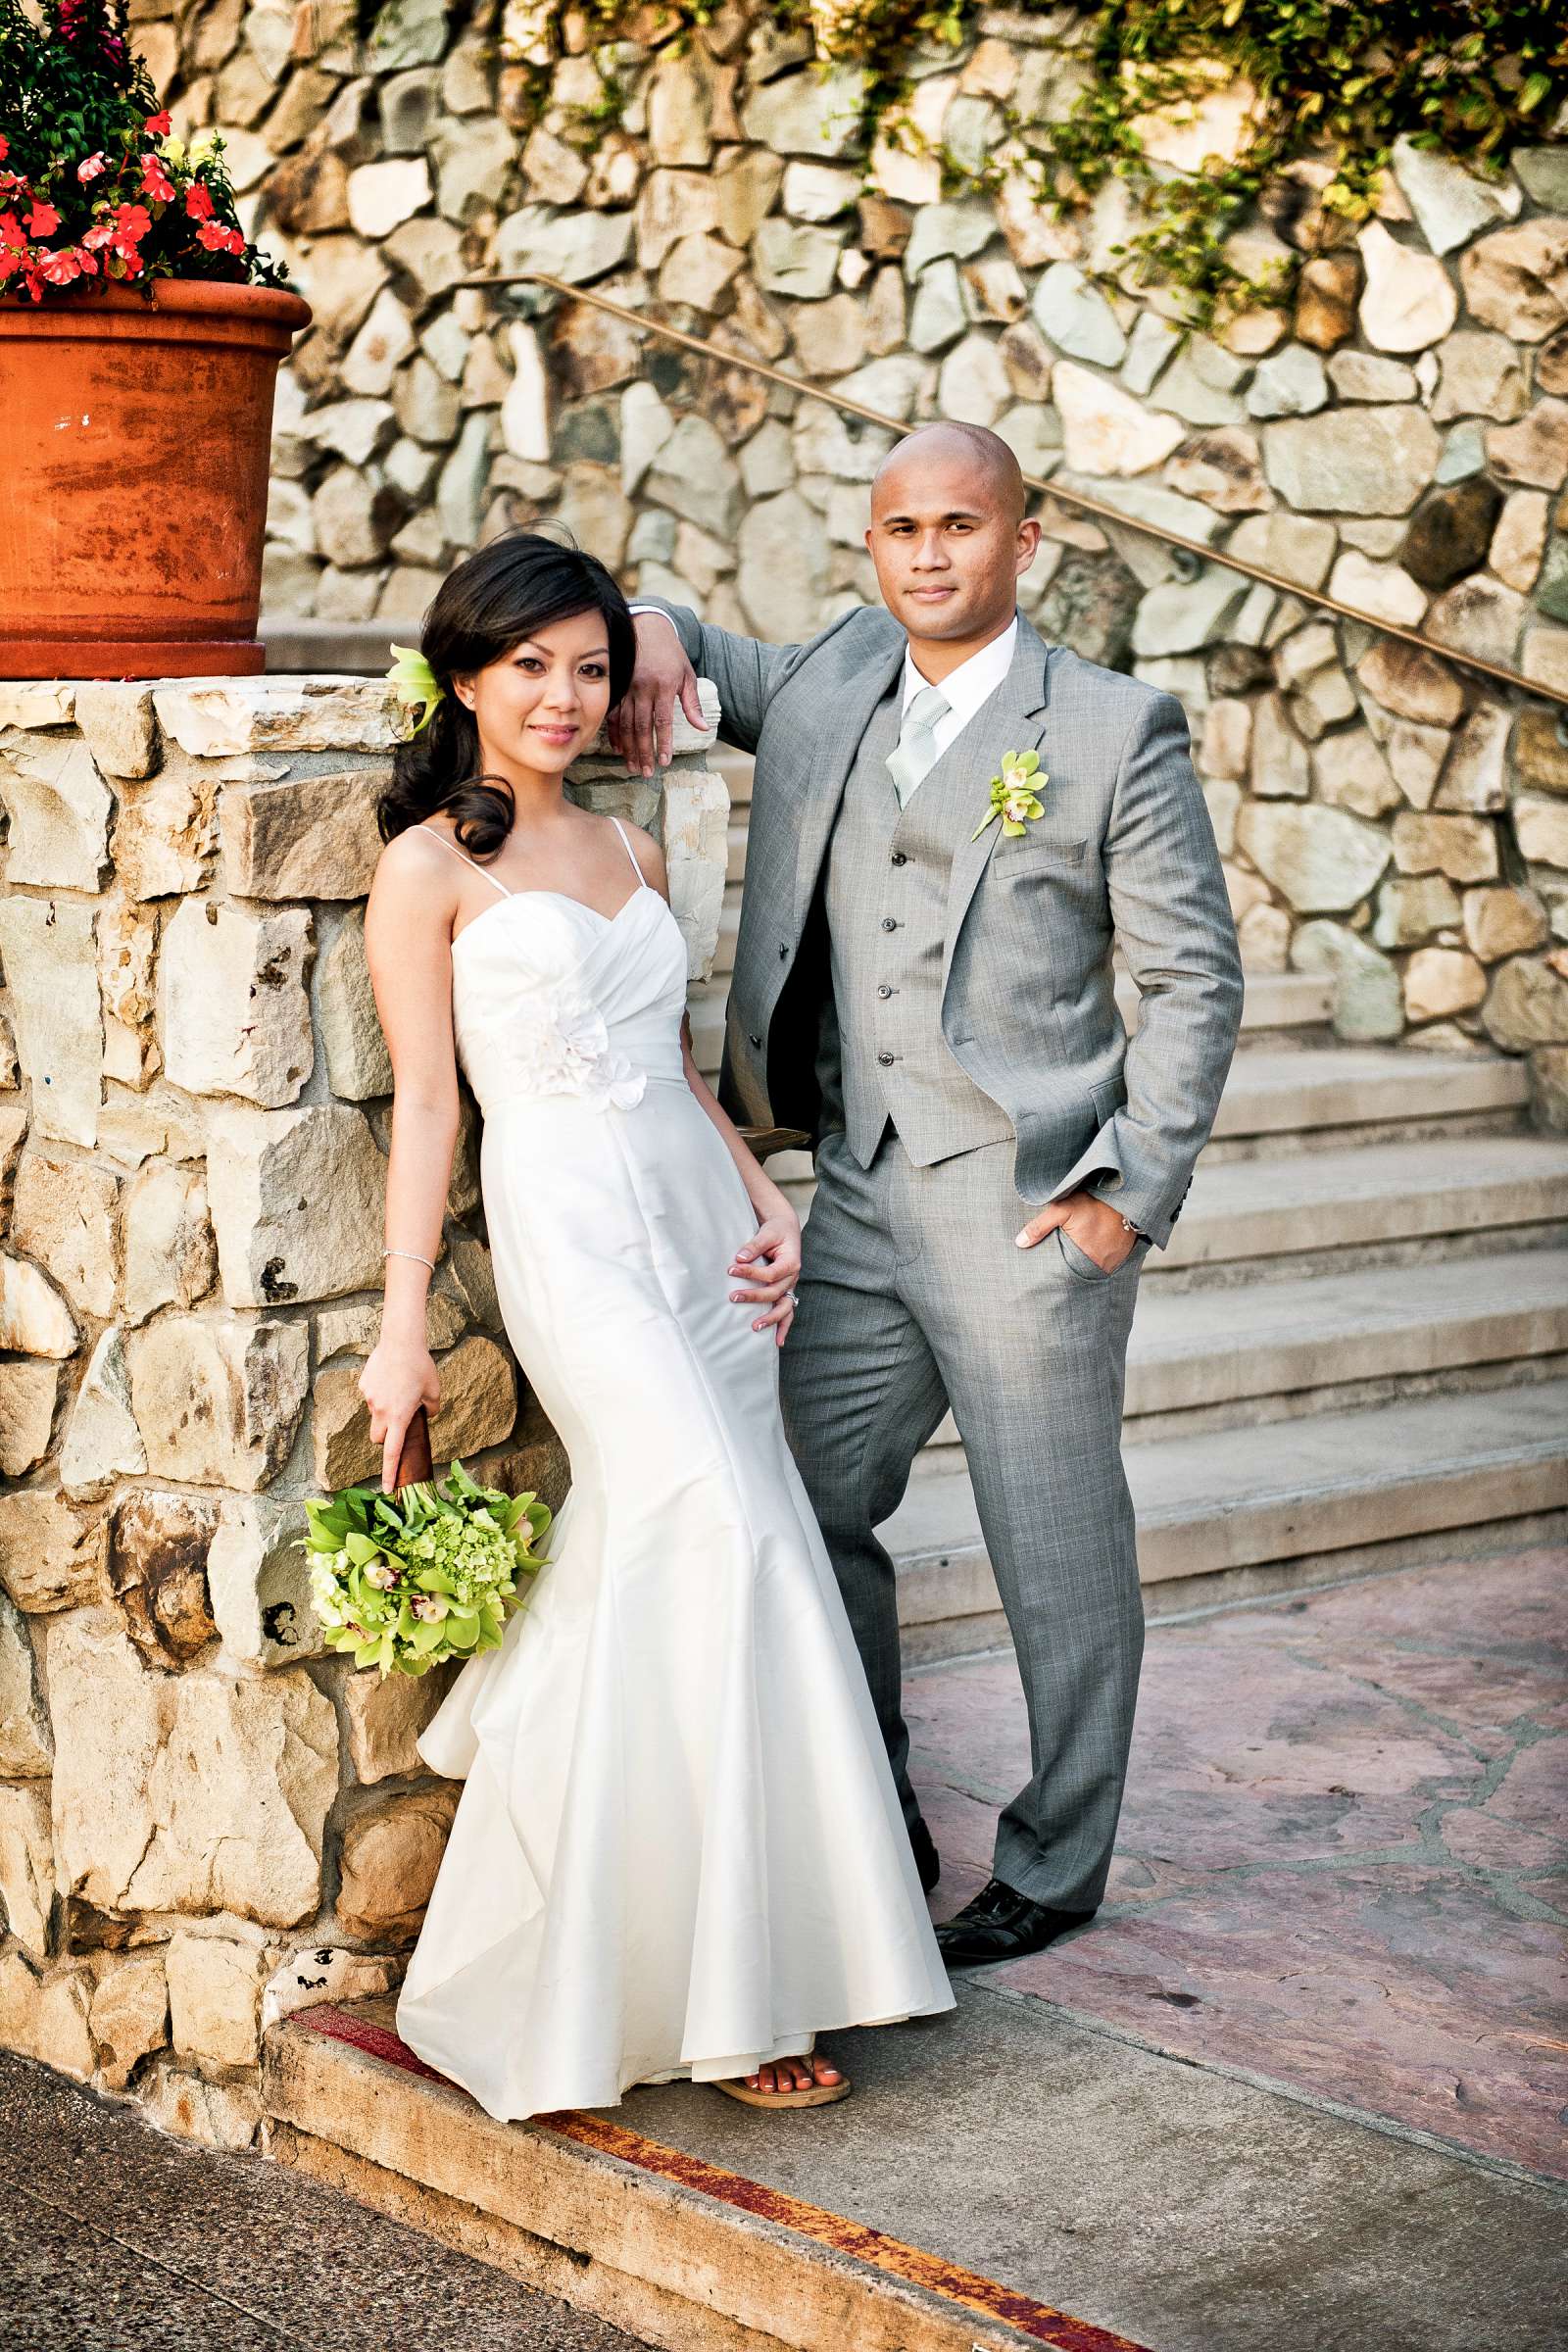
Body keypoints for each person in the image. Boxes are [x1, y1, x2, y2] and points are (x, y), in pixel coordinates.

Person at [618, 421, 1244, 1968]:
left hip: (1027, 1208)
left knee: (1055, 1543)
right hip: (857, 1195)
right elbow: (696, 647)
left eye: (961, 526)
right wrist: (643, 626)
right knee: (810, 1502)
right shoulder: (833, 676)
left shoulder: (1110, 727)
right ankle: (872, 1816)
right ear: (875, 546)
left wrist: (1129, 1191)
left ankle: (1054, 1859)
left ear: (1024, 541)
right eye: (901, 530)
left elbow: (1194, 978)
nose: (930, 555)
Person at [358, 531, 953, 2123]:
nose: (563, 697)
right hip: (571, 1241)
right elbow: (430, 1111)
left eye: (591, 669)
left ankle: (736, 1963)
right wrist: (399, 1327)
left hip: (702, 1236)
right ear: (466, 676)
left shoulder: (630, 856)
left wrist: (765, 1199)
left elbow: (680, 1071)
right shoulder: (427, 866)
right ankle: (684, 1980)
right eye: (531, 666)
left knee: (710, 1539)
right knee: (710, 1520)